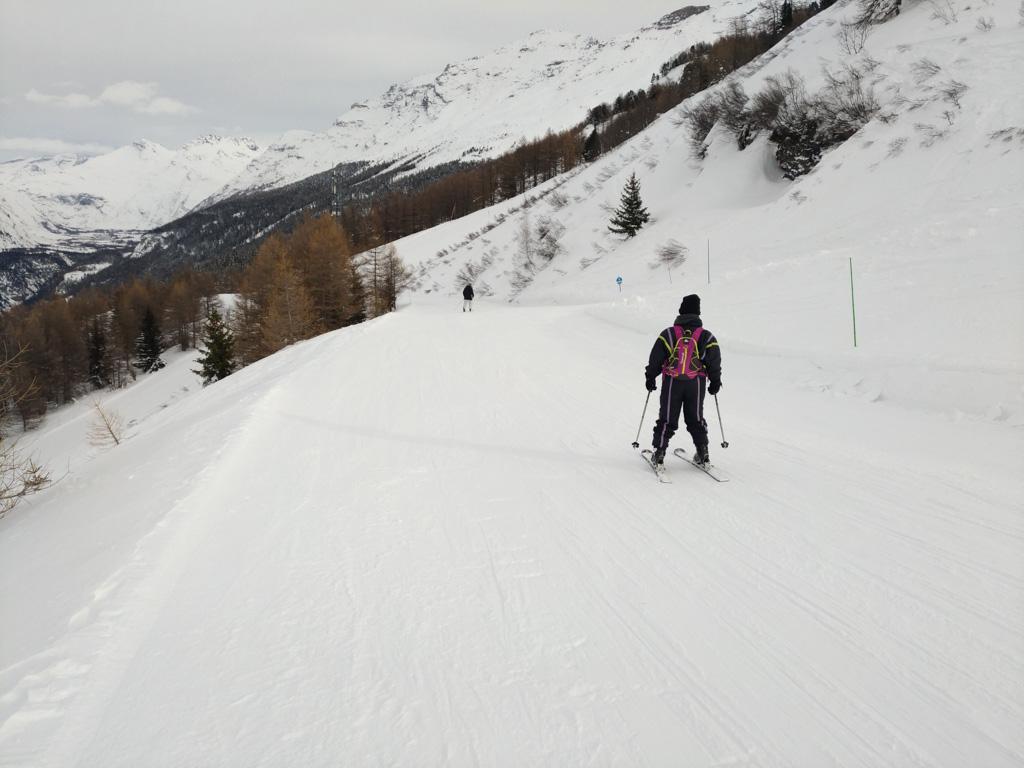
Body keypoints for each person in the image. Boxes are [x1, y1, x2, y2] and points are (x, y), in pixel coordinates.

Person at [644, 293, 722, 468]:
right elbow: (714, 360)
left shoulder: (669, 333)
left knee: (667, 418)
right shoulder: (706, 336)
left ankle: (660, 453)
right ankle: (703, 452)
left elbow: (656, 357)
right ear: (698, 313)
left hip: (673, 382)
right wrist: (715, 381)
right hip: (697, 383)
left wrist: (651, 376)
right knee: (695, 417)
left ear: (681, 311)